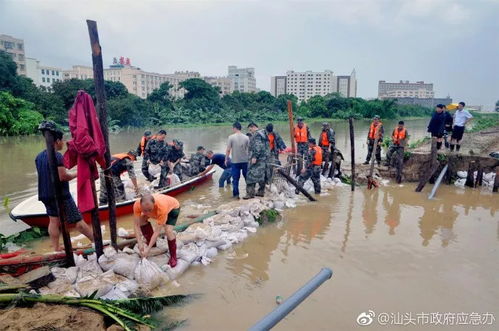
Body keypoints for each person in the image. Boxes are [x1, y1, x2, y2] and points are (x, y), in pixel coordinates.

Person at [35, 129, 94, 251]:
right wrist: (79, 173)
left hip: (45, 193)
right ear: (57, 141)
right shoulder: (57, 156)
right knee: (78, 220)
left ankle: (56, 249)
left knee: (53, 221)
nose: (63, 143)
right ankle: (96, 241)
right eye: (62, 140)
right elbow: (63, 176)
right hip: (60, 195)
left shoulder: (39, 157)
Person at [133, 193, 180, 267]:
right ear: (140, 205)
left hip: (173, 209)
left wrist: (148, 250)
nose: (147, 212)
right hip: (157, 210)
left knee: (168, 230)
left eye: (149, 210)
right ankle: (152, 244)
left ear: (154, 204)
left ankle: (173, 257)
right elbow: (136, 225)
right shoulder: (137, 205)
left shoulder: (161, 208)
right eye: (145, 210)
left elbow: (157, 232)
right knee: (141, 220)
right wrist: (140, 243)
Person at [244, 122, 271, 199]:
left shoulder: (257, 135)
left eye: (250, 129)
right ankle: (261, 192)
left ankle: (250, 194)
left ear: (253, 127)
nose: (250, 131)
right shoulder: (264, 134)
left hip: (257, 159)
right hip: (264, 160)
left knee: (250, 175)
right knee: (262, 175)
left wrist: (254, 157)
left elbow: (258, 147)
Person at [226, 122, 249, 198]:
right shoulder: (246, 137)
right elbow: (249, 150)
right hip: (245, 161)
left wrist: (226, 159)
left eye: (233, 128)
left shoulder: (231, 137)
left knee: (235, 179)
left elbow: (228, 149)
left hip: (235, 161)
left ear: (235, 128)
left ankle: (236, 195)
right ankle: (249, 193)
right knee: (247, 178)